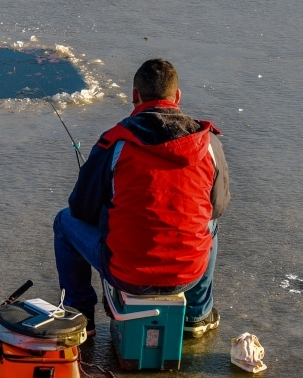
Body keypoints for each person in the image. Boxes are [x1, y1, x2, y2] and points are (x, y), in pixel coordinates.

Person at [53, 58, 230, 338]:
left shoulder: (115, 143)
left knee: (64, 223)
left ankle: (80, 317)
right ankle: (198, 315)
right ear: (178, 96)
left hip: (126, 273)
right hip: (188, 274)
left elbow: (80, 209)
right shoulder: (208, 143)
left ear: (135, 96)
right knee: (210, 224)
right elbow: (217, 207)